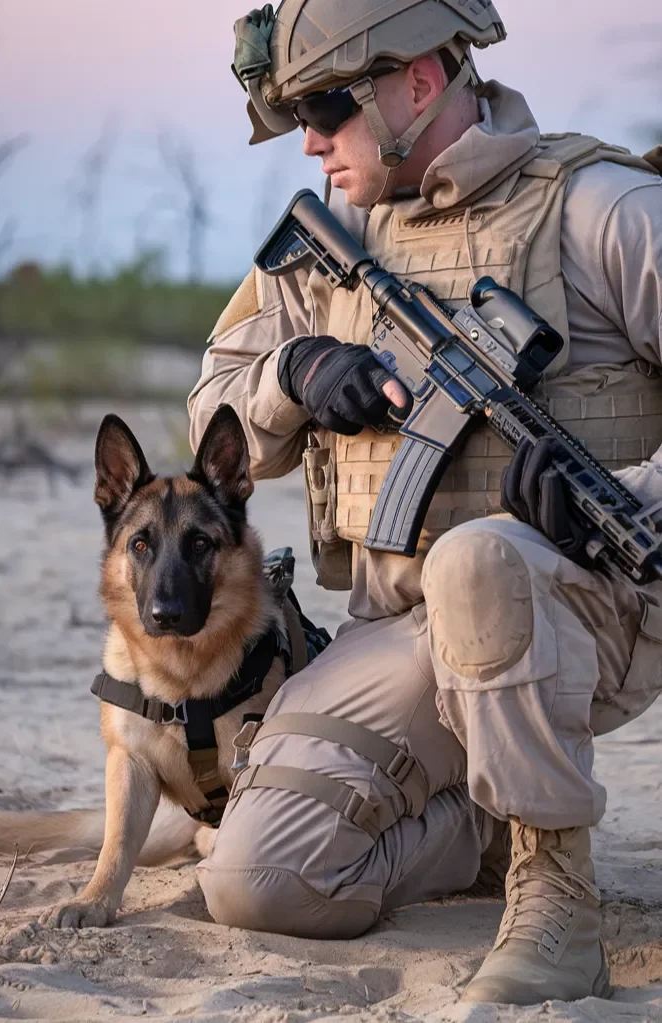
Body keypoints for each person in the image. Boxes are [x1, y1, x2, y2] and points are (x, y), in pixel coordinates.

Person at [188, 0, 662, 1005]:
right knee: (255, 882)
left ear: (416, 80)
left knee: (481, 559)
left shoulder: (603, 209)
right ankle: (483, 817)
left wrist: (620, 497)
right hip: (403, 630)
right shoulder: (331, 242)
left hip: (601, 604)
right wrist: (292, 375)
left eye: (326, 105)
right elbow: (207, 422)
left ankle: (557, 899)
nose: (310, 140)